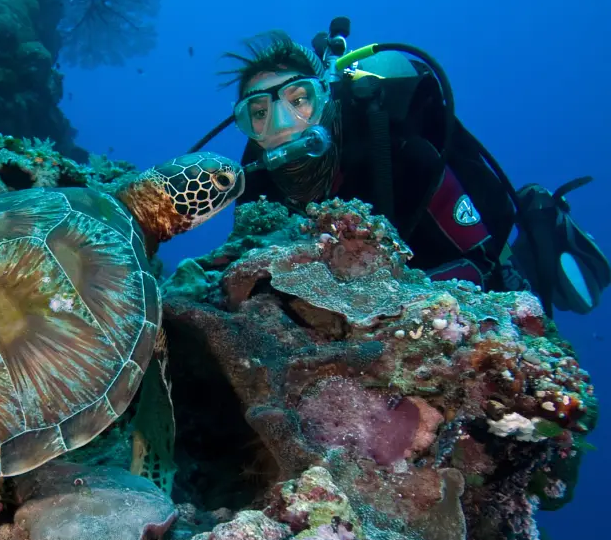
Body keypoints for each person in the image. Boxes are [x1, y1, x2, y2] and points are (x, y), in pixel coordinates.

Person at [189, 18, 610, 317]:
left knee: (518, 294)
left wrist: (393, 303)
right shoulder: (255, 177)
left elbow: (480, 260)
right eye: (258, 112)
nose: (281, 126)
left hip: (442, 268)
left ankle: (542, 225)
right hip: (353, 302)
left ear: (326, 99)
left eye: (299, 101)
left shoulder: (395, 148)